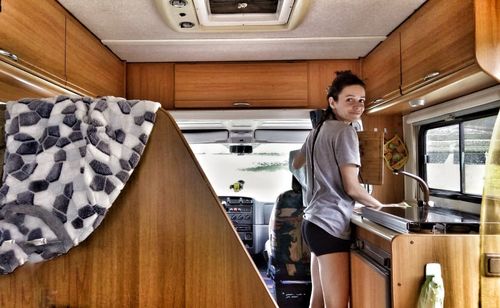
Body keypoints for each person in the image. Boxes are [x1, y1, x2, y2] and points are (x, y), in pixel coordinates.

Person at [292, 70, 393, 308]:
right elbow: (352, 188)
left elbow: (296, 163)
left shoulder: (317, 131)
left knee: (317, 299)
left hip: (313, 221)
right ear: (332, 102)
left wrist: (319, 179)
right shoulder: (346, 131)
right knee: (336, 304)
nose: (358, 106)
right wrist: (380, 207)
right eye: (350, 99)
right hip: (330, 224)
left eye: (361, 100)